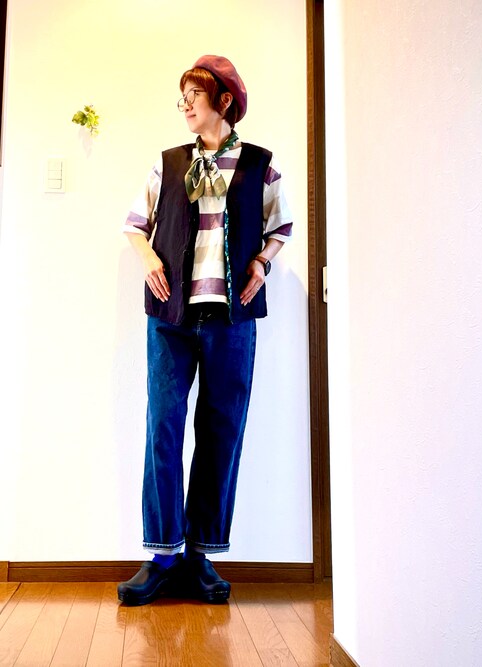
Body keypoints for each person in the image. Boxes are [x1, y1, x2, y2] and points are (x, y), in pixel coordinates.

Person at [117, 55, 292, 606]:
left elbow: (281, 226)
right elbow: (135, 224)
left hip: (231, 320)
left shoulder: (260, 164)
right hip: (171, 319)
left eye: (194, 95)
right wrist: (149, 258)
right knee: (163, 429)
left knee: (221, 432)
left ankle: (201, 555)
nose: (186, 105)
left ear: (224, 101)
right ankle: (163, 555)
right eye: (183, 96)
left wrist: (261, 263)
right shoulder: (169, 163)